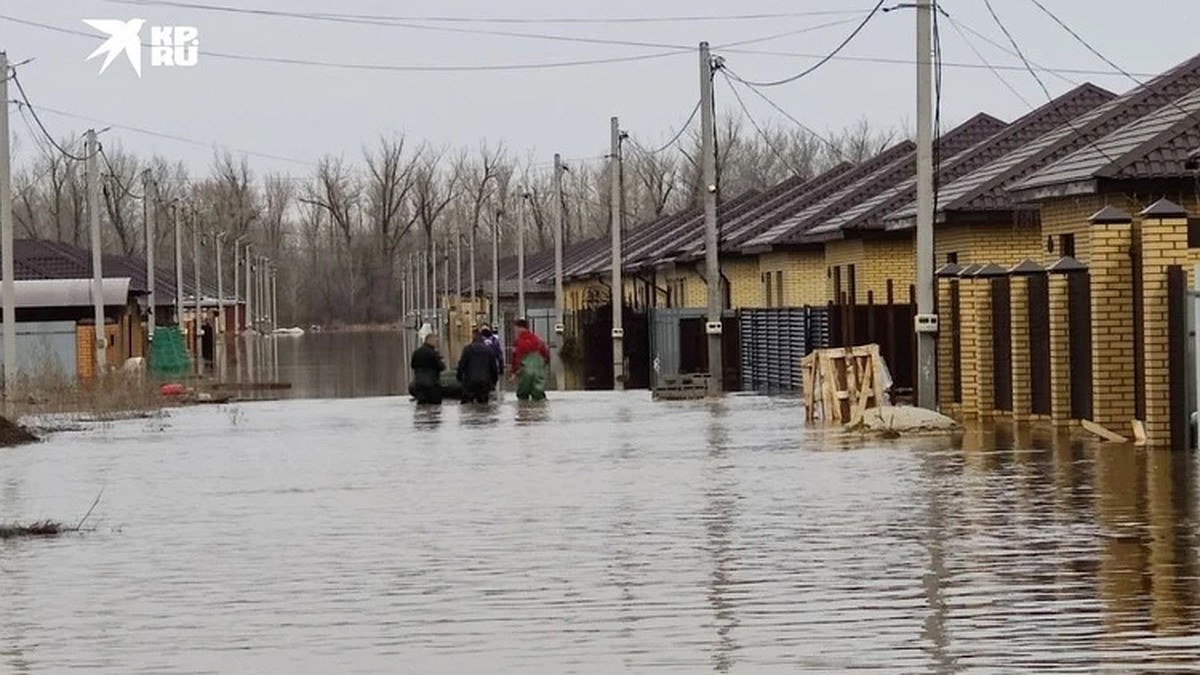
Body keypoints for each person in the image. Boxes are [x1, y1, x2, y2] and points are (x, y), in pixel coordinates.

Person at [510, 318, 550, 401]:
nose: (515, 331)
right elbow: (546, 355)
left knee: (522, 397)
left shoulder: (518, 342)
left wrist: (514, 372)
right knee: (539, 396)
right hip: (538, 372)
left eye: (516, 328)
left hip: (525, 373)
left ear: (519, 328)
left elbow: (516, 358)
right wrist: (544, 367)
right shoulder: (538, 340)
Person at [457, 330, 499, 404]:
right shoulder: (489, 350)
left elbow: (462, 364)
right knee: (483, 404)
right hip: (485, 381)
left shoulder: (467, 349)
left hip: (470, 381)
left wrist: (459, 377)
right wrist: (494, 381)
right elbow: (494, 367)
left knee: (467, 405)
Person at [408, 333, 445, 405]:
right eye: (435, 341)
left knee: (421, 404)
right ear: (429, 340)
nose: (436, 343)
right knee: (435, 406)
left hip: (419, 383)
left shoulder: (417, 352)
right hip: (432, 384)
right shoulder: (434, 353)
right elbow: (441, 367)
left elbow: (412, 365)